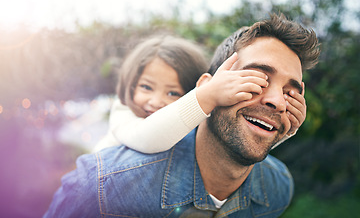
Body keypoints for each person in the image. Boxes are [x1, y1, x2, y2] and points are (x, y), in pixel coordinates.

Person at [44, 13, 320, 217]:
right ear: (205, 87)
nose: (277, 101)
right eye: (256, 79)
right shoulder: (102, 187)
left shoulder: (278, 190)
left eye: (290, 92)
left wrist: (284, 130)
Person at [92, 35, 302, 153]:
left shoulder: (187, 119)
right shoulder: (124, 113)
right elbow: (147, 139)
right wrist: (208, 96)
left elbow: (240, 140)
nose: (156, 101)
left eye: (173, 92)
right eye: (146, 87)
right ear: (130, 85)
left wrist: (285, 128)